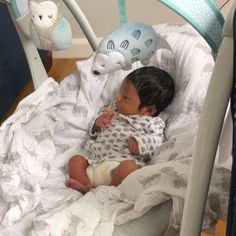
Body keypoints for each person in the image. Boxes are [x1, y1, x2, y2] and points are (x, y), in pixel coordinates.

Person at [66, 66, 175, 194]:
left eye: (125, 97)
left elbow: (157, 141)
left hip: (119, 168)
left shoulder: (152, 122)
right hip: (95, 163)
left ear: (148, 110)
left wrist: (141, 143)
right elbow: (93, 132)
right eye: (120, 93)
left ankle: (108, 193)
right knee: (75, 160)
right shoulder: (113, 109)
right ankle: (86, 187)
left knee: (129, 167)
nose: (118, 98)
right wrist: (97, 123)